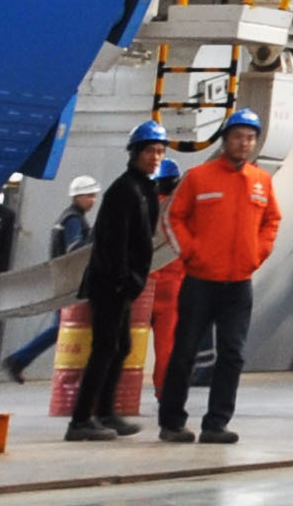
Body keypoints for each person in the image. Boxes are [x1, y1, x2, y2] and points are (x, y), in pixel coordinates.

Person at [155, 108, 280, 445]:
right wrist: (191, 252)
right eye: (238, 137)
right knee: (184, 352)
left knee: (232, 355)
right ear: (225, 140)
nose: (245, 143)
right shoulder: (198, 177)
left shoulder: (262, 181)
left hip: (238, 286)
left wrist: (257, 254)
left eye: (250, 138)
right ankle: (172, 422)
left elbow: (272, 221)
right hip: (200, 282)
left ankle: (216, 424)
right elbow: (172, 217)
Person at [62, 127, 171, 442]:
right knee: (105, 348)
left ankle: (105, 412)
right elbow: (113, 241)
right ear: (135, 153)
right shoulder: (124, 190)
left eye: (160, 151)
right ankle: (80, 420)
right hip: (110, 283)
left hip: (122, 283)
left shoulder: (143, 188)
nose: (155, 157)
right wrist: (122, 280)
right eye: (149, 151)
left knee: (120, 346)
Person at [0, 177, 98, 380]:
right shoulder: (73, 220)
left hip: (63, 279)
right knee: (61, 327)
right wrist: (96, 241)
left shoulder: (70, 217)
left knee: (60, 327)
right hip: (68, 281)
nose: (93, 200)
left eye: (94, 196)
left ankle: (18, 360)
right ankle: (17, 359)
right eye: (89, 196)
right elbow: (75, 249)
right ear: (77, 197)